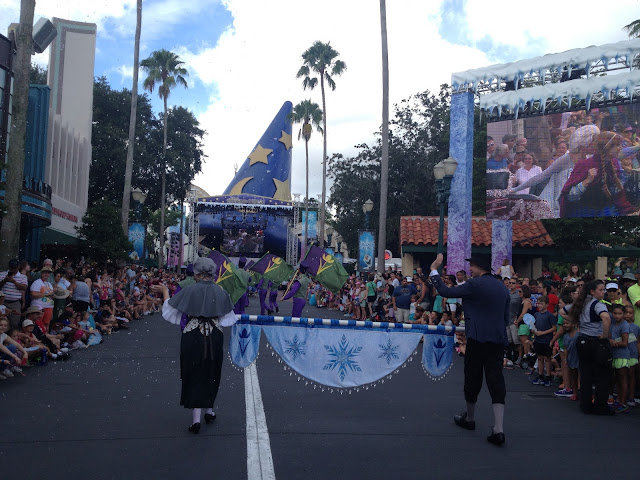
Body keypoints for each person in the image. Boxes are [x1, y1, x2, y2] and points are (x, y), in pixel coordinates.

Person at [429, 253, 510, 446]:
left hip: (477, 338)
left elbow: (445, 292)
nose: (470, 270)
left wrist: (434, 270)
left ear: (479, 267)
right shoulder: (502, 287)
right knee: (495, 379)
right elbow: (505, 318)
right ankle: (498, 428)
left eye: (472, 266)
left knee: (473, 377)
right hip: (497, 338)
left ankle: (470, 418)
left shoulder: (475, 284)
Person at [156, 257, 237, 434]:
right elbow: (228, 319)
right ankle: (209, 411)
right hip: (214, 335)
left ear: (197, 273)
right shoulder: (220, 291)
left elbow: (170, 311)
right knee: (212, 371)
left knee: (193, 372)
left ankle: (195, 420)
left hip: (193, 335)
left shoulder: (189, 290)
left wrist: (164, 292)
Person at [565, 279, 613, 415]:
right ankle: (600, 406)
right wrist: (605, 335)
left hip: (582, 340)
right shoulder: (597, 305)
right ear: (592, 291)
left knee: (586, 374)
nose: (603, 292)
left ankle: (585, 405)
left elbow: (563, 311)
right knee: (602, 375)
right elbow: (606, 318)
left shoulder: (581, 303)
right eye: (601, 290)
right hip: (596, 341)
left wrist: (577, 322)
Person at [530, 296, 557, 387]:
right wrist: (534, 331)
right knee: (540, 358)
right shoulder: (536, 314)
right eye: (538, 303)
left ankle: (548, 377)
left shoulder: (550, 315)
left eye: (541, 303)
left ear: (546, 304)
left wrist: (543, 333)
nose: (539, 305)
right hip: (538, 340)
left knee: (547, 359)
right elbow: (533, 326)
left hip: (546, 340)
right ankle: (540, 375)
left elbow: (554, 327)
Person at [609, 304, 630, 412]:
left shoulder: (624, 325)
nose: (617, 316)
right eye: (615, 313)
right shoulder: (613, 324)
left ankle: (623, 402)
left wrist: (613, 343)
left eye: (620, 313)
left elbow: (625, 343)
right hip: (615, 355)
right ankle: (618, 400)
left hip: (622, 355)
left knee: (622, 379)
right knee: (617, 379)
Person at [0, 259, 29, 329]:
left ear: (18, 267)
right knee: (1, 323)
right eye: (11, 268)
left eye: (14, 268)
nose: (12, 270)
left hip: (15, 303)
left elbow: (24, 287)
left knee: (14, 323)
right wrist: (4, 281)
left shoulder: (23, 277)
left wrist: (14, 282)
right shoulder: (2, 274)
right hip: (2, 302)